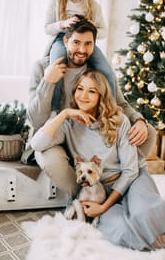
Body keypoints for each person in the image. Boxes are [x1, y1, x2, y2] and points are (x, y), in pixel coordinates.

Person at [30, 70, 165, 255]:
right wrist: (64, 114)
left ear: (101, 96)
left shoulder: (119, 121)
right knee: (123, 232)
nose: (83, 96)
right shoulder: (68, 125)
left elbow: (130, 170)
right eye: (79, 88)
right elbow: (37, 143)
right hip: (100, 192)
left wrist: (104, 208)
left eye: (92, 91)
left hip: (133, 179)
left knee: (143, 216)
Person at [25, 18, 156, 197]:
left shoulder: (99, 72)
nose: (82, 50)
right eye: (76, 42)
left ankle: (116, 182)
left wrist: (139, 120)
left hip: (85, 134)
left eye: (88, 44)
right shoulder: (42, 67)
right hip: (55, 132)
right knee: (51, 159)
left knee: (148, 132)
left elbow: (120, 103)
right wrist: (48, 81)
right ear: (65, 41)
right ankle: (84, 198)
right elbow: (36, 119)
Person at [44, 0, 115, 112]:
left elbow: (103, 32)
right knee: (56, 67)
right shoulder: (56, 1)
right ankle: (54, 110)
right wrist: (62, 24)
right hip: (61, 39)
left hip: (86, 42)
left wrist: (93, 26)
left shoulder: (93, 5)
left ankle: (112, 110)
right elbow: (47, 28)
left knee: (107, 71)